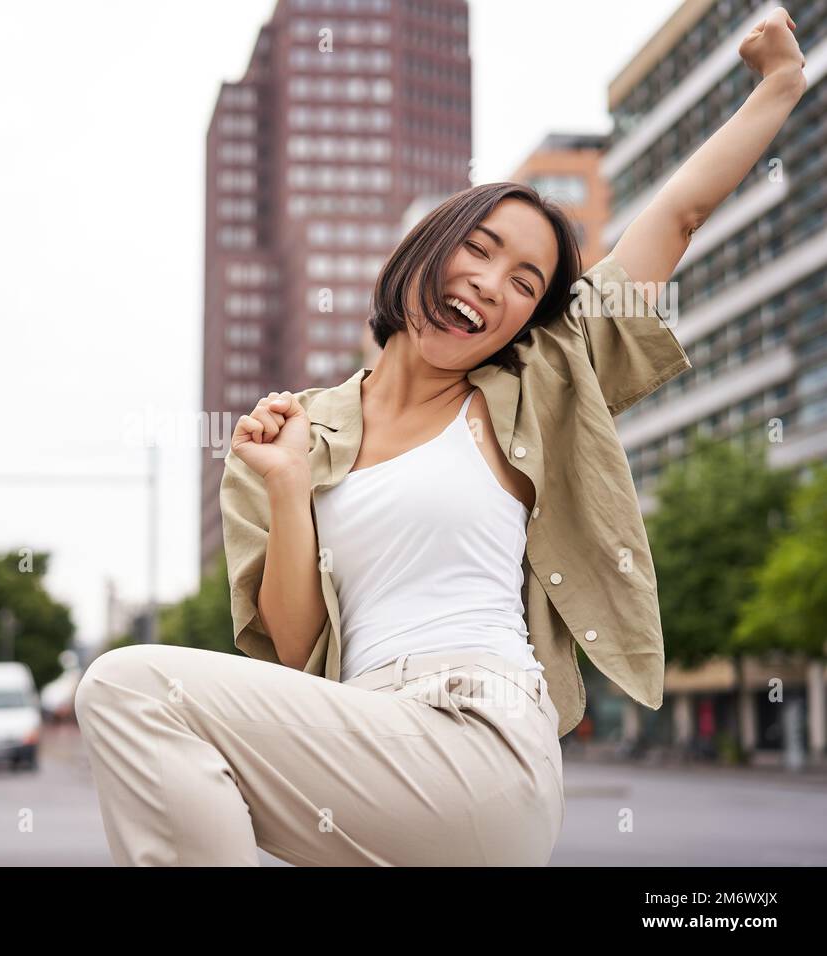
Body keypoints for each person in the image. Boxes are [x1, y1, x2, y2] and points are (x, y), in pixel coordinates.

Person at [75, 9, 807, 866]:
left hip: (477, 734)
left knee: (128, 687)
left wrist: (780, 85)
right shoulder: (293, 434)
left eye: (525, 281)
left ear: (530, 321)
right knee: (168, 746)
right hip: (357, 741)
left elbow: (676, 215)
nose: (492, 284)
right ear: (427, 250)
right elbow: (296, 645)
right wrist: (282, 484)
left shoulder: (536, 388)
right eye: (481, 249)